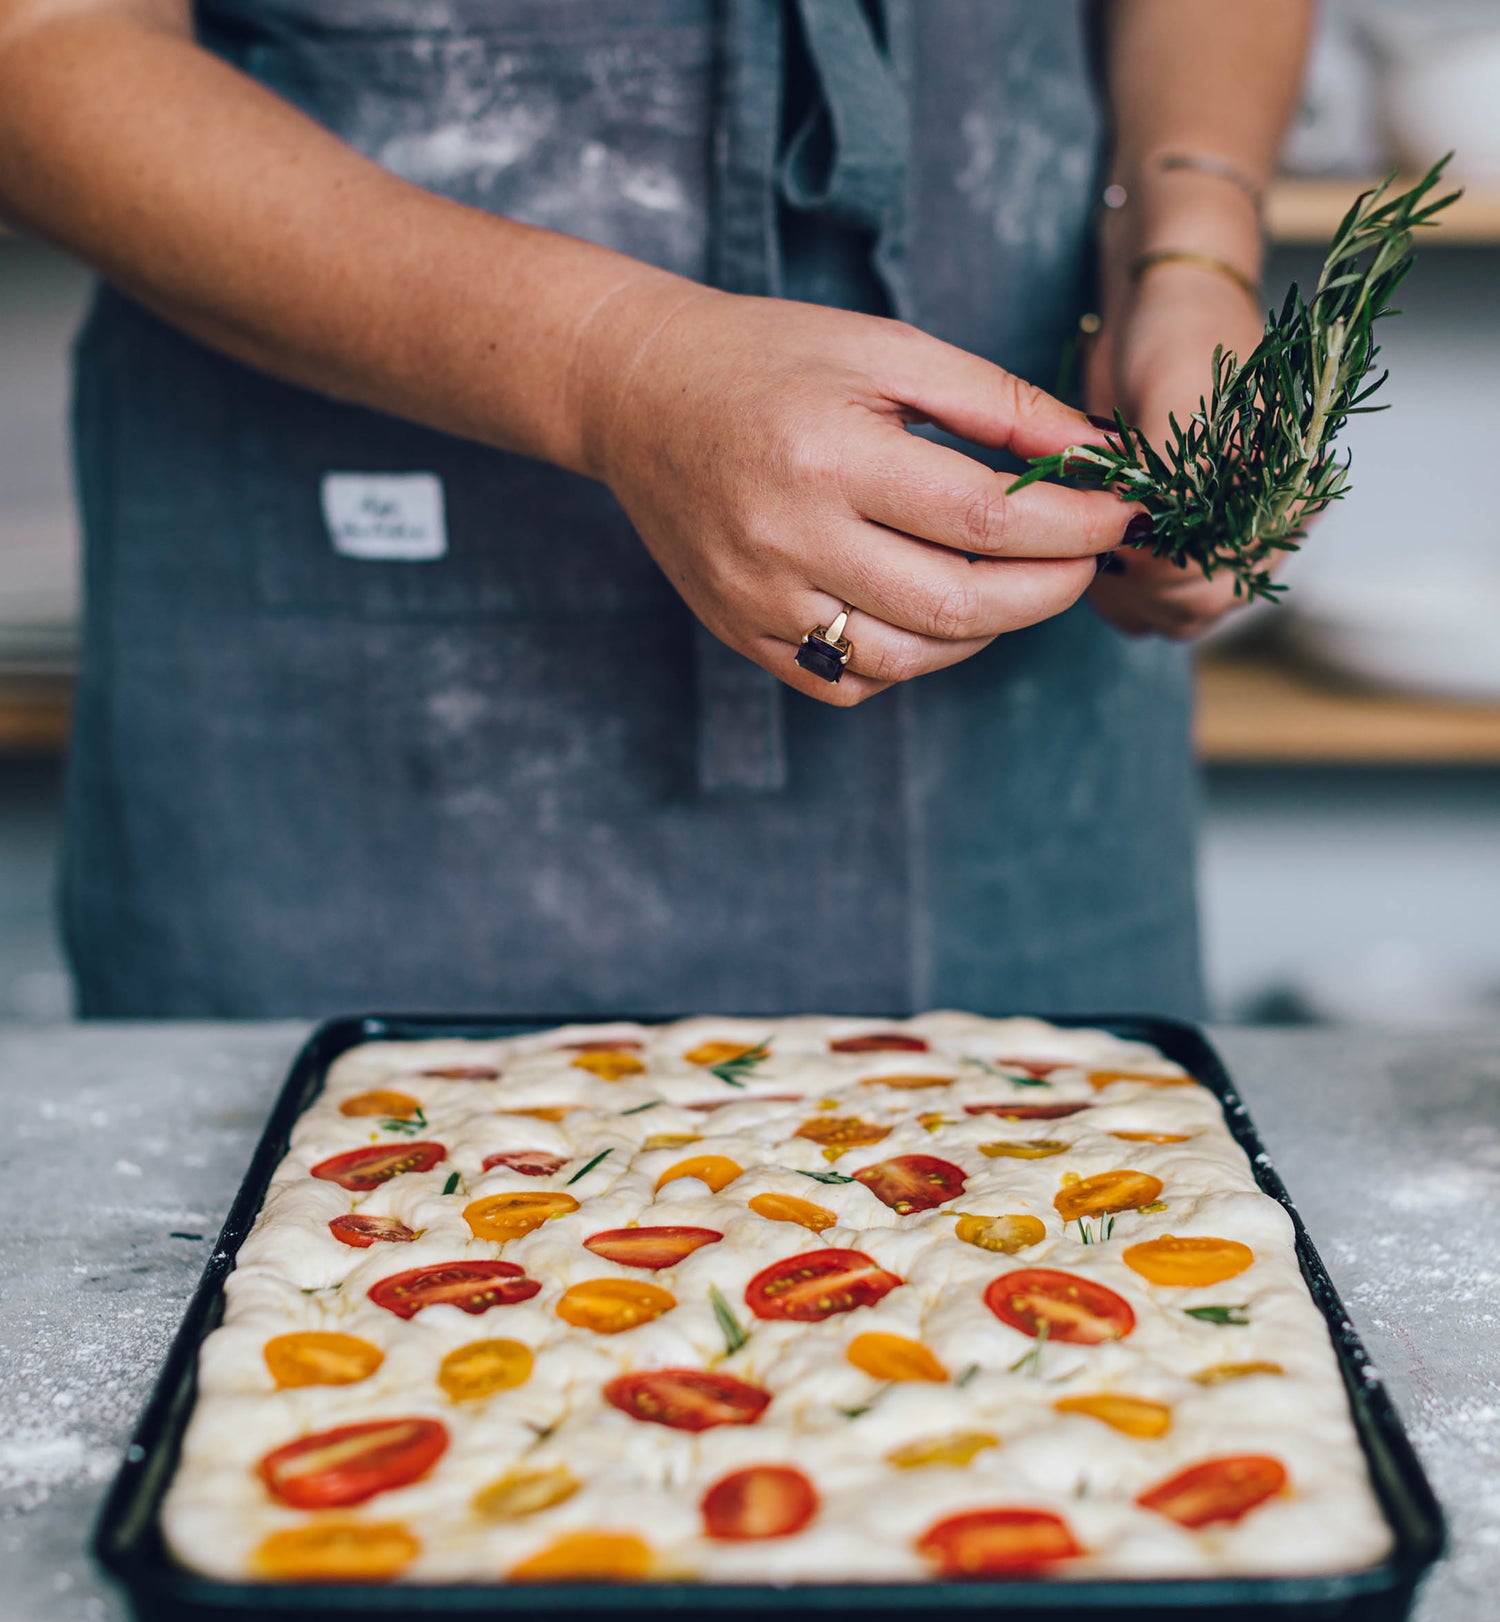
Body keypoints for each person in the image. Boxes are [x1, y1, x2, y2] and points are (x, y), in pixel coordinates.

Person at [0, 0, 1309, 1020]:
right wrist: (611, 362)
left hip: (1025, 756)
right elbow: (46, 40)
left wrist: (1187, 251)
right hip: (356, 730)